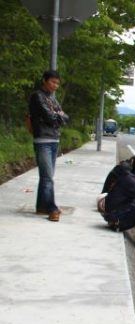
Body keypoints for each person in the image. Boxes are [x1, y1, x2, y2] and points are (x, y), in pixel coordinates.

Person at [29, 70, 69, 222]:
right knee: (47, 178)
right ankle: (52, 209)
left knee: (47, 177)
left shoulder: (52, 98)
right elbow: (50, 118)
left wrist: (58, 114)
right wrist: (58, 114)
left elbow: (65, 118)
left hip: (54, 140)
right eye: (53, 82)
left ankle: (41, 207)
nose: (55, 85)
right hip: (42, 140)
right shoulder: (37, 96)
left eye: (57, 83)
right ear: (44, 81)